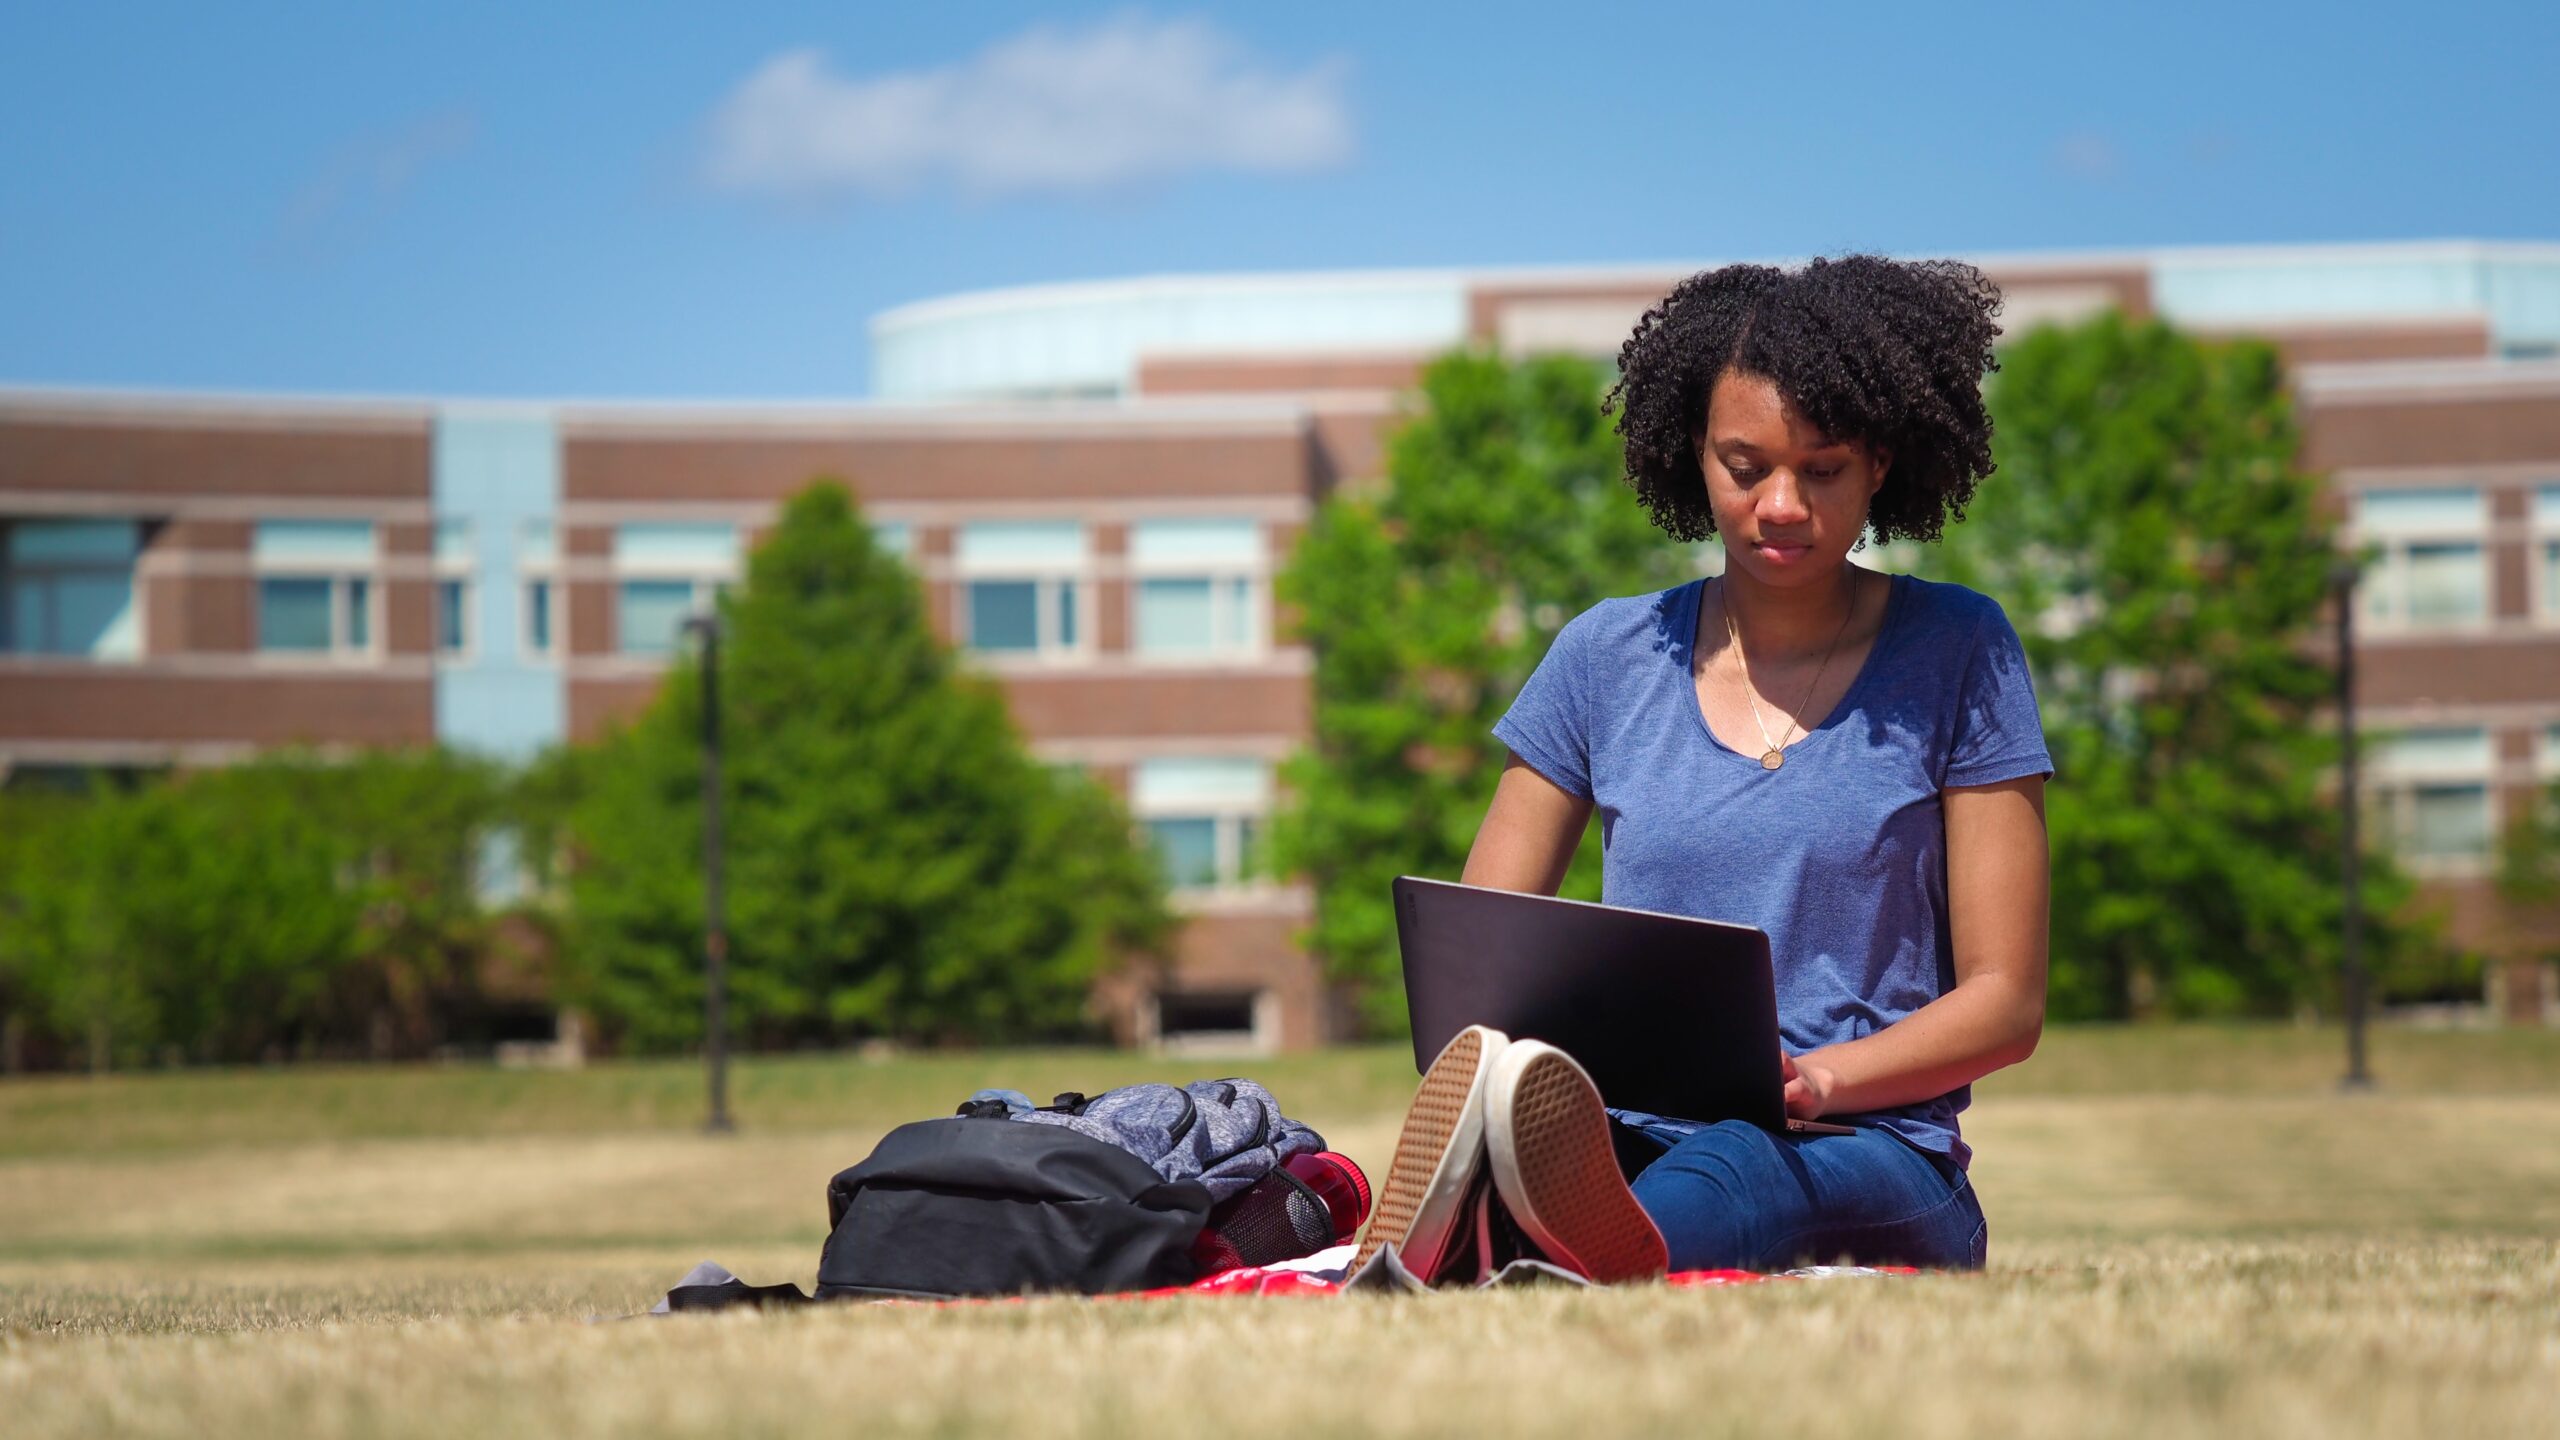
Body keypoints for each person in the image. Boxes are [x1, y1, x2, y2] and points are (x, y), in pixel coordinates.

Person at [1357, 255, 2051, 1283]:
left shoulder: (1961, 649)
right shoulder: (1603, 656)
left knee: (1742, 1159)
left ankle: (1540, 1254)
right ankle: (1525, 1222)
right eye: (1744, 464)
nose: (1780, 503)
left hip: (1875, 1151)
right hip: (1629, 1134)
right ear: (1694, 454)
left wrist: (1813, 1081)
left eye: (1822, 469)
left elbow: (2007, 1002)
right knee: (1615, 1148)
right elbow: (1479, 957)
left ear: (1881, 467)